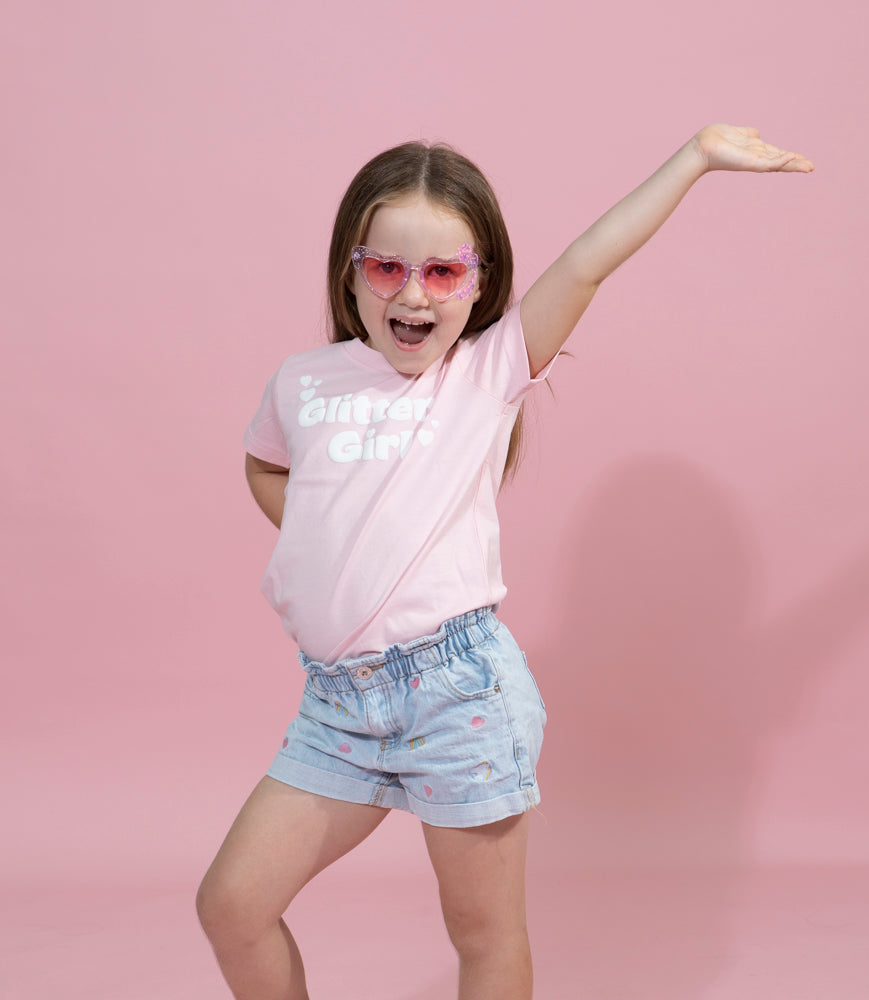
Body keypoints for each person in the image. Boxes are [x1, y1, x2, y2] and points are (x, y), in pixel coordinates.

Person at [196, 124, 813, 1000]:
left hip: (461, 697)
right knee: (232, 903)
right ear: (352, 270)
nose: (414, 294)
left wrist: (696, 157)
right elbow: (265, 464)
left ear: (479, 282)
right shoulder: (305, 381)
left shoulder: (487, 372)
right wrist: (323, 536)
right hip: (338, 703)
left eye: (443, 271)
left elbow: (590, 261)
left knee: (483, 936)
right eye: (387, 268)